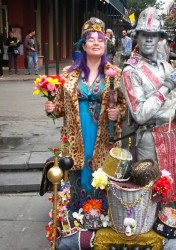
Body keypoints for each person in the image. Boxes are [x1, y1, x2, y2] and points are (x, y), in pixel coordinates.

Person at [44, 17, 126, 212]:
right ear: (83, 45)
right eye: (91, 39)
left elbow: (123, 105)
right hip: (76, 135)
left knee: (102, 171)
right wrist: (51, 108)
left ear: (105, 44)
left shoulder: (114, 73)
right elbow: (60, 109)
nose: (96, 43)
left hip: (103, 134)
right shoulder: (68, 74)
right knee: (77, 171)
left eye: (100, 39)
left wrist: (118, 113)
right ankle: (77, 214)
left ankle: (104, 214)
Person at [121, 7, 176, 204]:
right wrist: (165, 88)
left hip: (175, 135)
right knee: (152, 193)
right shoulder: (131, 71)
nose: (148, 39)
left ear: (159, 39)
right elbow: (140, 114)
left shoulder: (166, 66)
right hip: (151, 138)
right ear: (136, 37)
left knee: (174, 193)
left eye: (152, 35)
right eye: (144, 35)